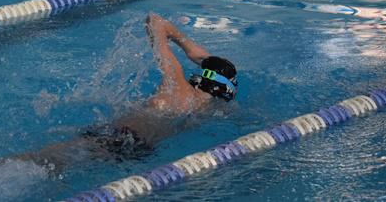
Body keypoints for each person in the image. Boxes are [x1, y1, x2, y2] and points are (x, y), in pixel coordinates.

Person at [13, 13, 237, 172]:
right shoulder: (204, 112)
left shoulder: (177, 84)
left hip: (118, 136)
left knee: (39, 161)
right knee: (58, 170)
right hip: (141, 152)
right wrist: (209, 63)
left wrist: (187, 46)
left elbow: (155, 21)